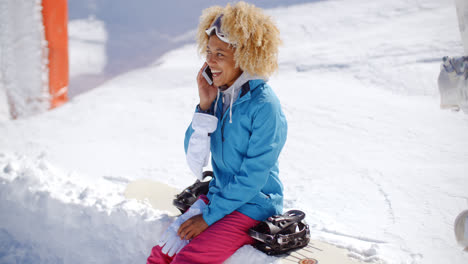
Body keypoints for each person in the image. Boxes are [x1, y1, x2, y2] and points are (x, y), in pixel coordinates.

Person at [147, 2, 287, 263]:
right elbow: (194, 155)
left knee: (189, 259)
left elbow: (252, 178)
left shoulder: (264, 106)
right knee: (161, 254)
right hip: (218, 197)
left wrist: (209, 217)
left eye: (220, 54)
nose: (210, 61)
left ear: (246, 56)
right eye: (209, 51)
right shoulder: (221, 99)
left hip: (254, 206)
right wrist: (205, 105)